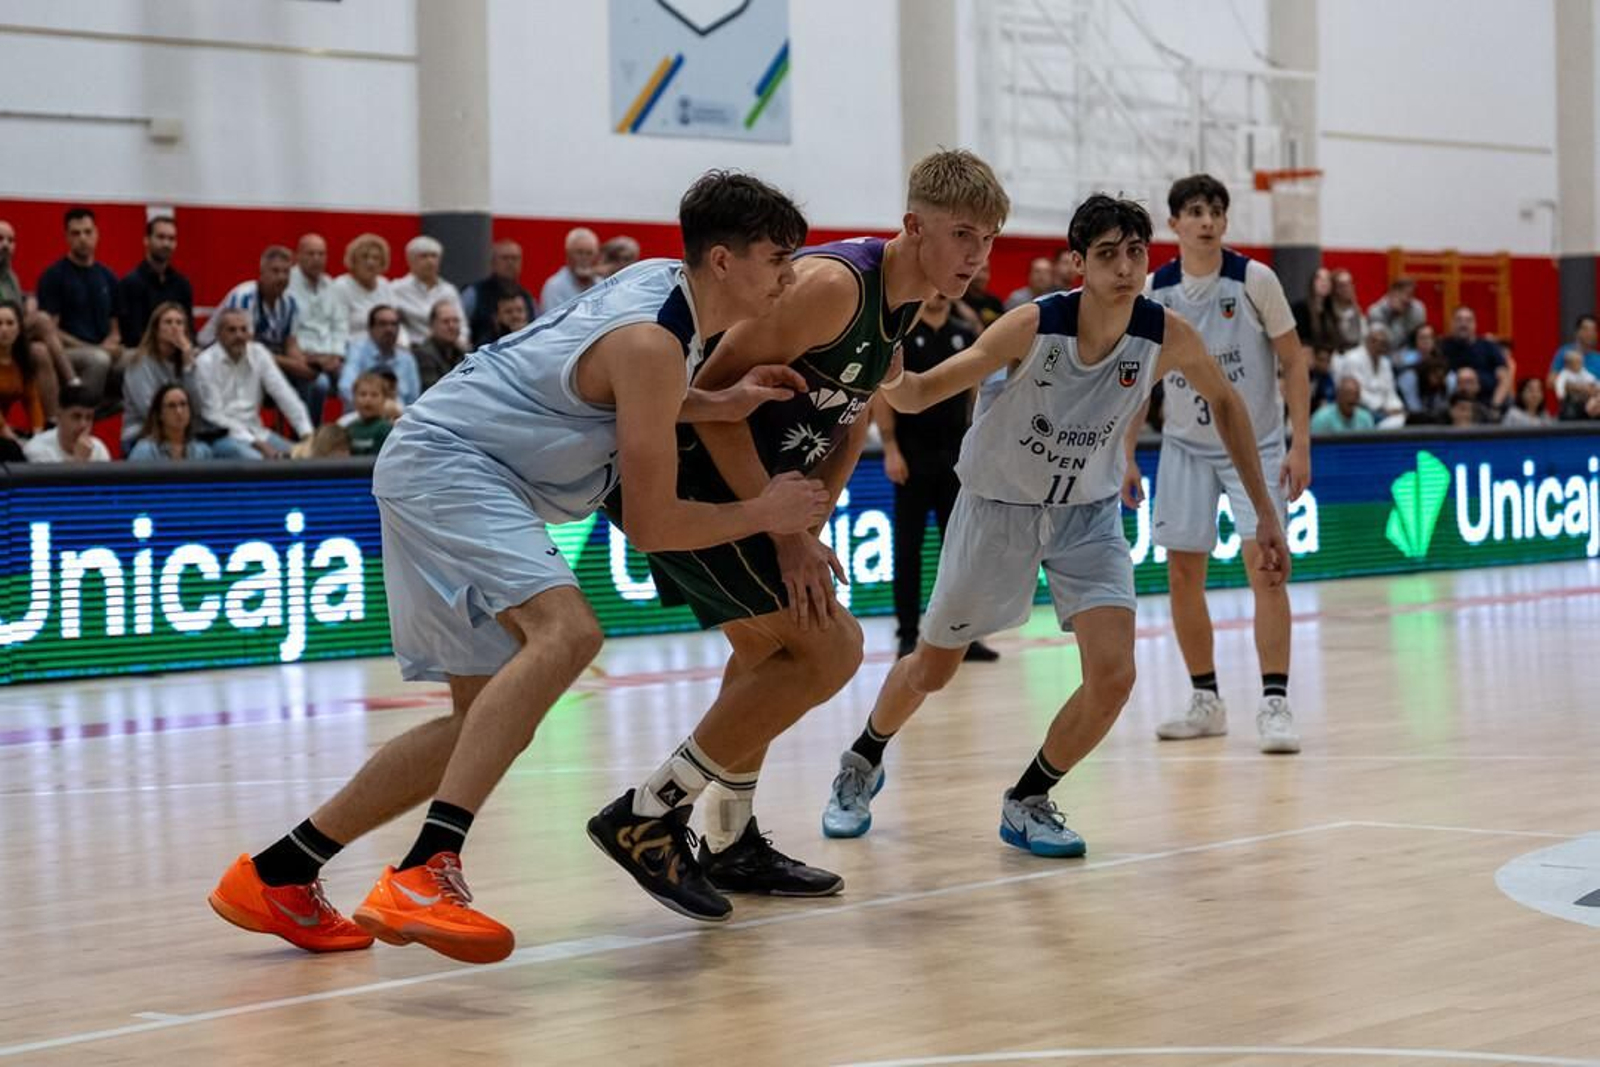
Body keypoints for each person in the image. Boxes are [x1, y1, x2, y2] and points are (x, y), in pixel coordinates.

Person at [207, 170, 829, 963]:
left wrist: (716, 401)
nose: (788, 275)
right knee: (567, 634)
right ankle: (428, 869)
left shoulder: (657, 288)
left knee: (480, 719)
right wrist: (765, 513)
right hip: (455, 465)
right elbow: (653, 524)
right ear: (720, 259)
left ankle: (279, 872)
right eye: (778, 258)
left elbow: (613, 388)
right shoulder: (652, 339)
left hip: (433, 453)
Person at [590, 150, 1009, 919]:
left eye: (988, 239)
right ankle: (649, 813)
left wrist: (812, 518)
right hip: (693, 479)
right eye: (963, 235)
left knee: (767, 655)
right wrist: (780, 530)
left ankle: (728, 837)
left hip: (763, 496)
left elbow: (852, 419)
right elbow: (713, 389)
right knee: (833, 645)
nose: (977, 256)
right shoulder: (833, 287)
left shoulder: (908, 301)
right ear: (914, 225)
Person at [820, 194, 1288, 853]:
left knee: (1115, 675)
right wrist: (888, 372)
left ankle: (1030, 796)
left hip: (1087, 516)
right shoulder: (1032, 325)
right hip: (998, 508)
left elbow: (1229, 405)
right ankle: (862, 760)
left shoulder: (1166, 332)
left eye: (1135, 253)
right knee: (933, 667)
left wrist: (1265, 511)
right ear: (1078, 263)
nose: (1125, 267)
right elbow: (925, 391)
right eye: (1107, 255)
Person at [1138, 174, 1311, 754]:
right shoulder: (1155, 289)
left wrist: (1300, 443)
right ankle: (1205, 699)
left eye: (1215, 210)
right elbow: (1137, 380)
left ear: (1226, 222)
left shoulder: (1255, 279)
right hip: (1185, 445)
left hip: (1255, 445)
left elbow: (1293, 361)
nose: (1206, 220)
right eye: (1194, 211)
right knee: (1183, 574)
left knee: (1266, 568)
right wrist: (1124, 455)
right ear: (1175, 224)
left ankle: (1275, 701)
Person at [877, 291, 998, 660]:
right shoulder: (901, 336)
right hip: (911, 458)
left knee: (960, 551)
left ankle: (964, 635)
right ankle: (908, 634)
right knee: (908, 550)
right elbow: (881, 395)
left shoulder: (964, 333)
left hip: (954, 456)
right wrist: (890, 448)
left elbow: (977, 391)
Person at [120, 301, 205, 451]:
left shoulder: (189, 362)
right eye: (168, 322)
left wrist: (187, 366)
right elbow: (148, 411)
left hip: (181, 434)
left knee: (206, 452)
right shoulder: (139, 362)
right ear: (156, 329)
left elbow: (197, 407)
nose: (174, 327)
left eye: (179, 323)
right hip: (142, 435)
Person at [116, 215, 193, 344]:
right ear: (146, 240)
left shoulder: (182, 284)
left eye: (171, 239)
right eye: (161, 237)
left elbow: (188, 328)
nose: (166, 243)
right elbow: (131, 334)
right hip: (141, 352)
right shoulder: (131, 283)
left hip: (177, 350)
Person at [127, 384, 214, 461]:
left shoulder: (203, 451)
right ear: (160, 414)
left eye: (183, 404)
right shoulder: (144, 451)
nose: (179, 411)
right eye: (171, 406)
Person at [23, 385, 110, 463]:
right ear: (59, 415)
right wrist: (79, 461)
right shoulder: (37, 449)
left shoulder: (99, 448)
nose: (83, 425)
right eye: (76, 416)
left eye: (89, 418)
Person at [0, 299, 44, 436]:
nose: (4, 329)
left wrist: (38, 435)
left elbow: (32, 401)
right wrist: (7, 433)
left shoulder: (23, 361)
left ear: (19, 328)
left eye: (10, 323)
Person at [341, 371, 394, 456]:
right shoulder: (349, 429)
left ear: (384, 400)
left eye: (374, 395)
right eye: (363, 394)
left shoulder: (386, 429)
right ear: (354, 399)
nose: (368, 399)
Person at [1310, 375, 1376, 433]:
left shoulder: (1366, 418)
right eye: (1348, 394)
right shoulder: (1321, 418)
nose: (1352, 398)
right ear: (1338, 396)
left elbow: (1371, 446)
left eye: (1356, 394)